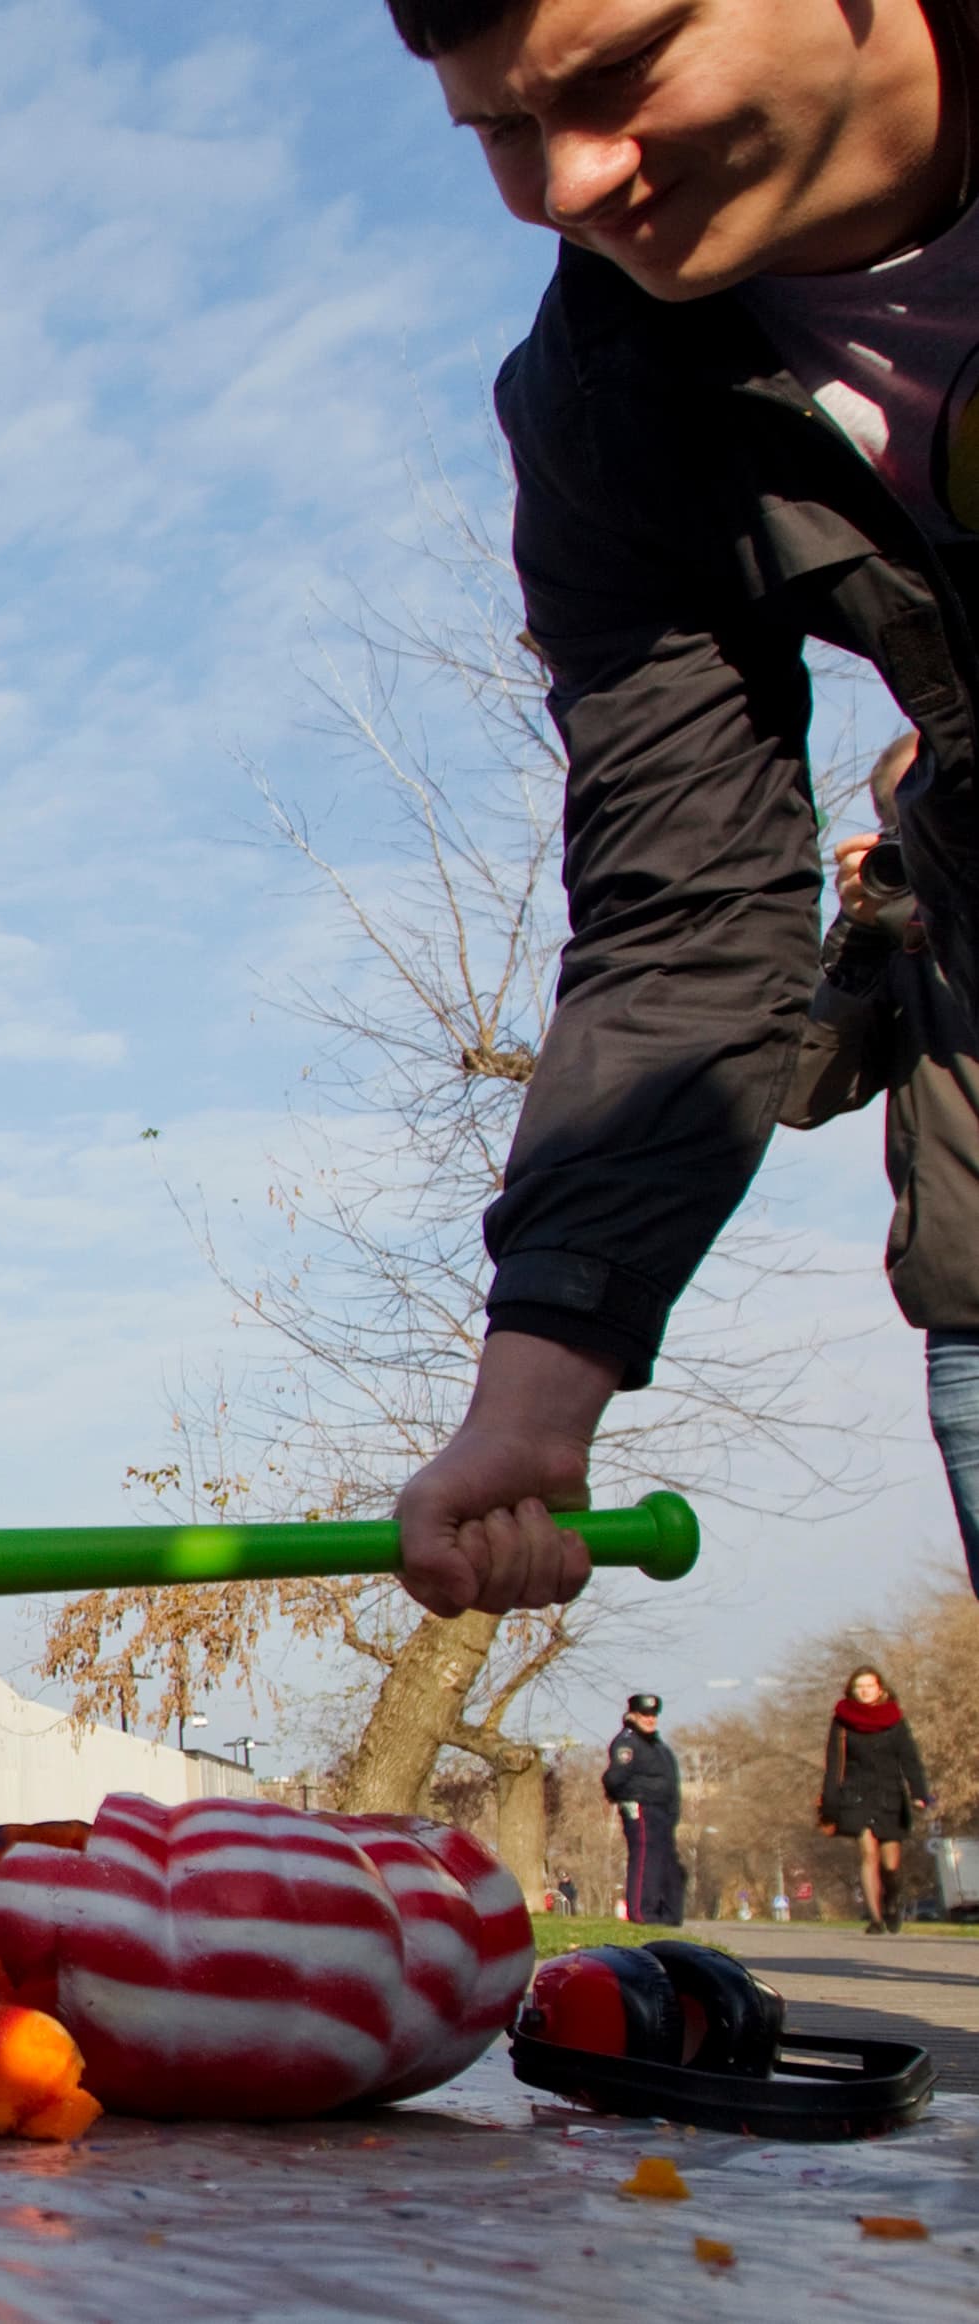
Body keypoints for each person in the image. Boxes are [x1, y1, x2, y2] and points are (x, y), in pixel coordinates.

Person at [374, 0, 979, 1619]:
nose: (571, 177)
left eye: (623, 70)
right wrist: (533, 1401)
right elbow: (686, 915)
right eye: (499, 126)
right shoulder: (610, 409)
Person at [777, 735, 979, 1595]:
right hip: (969, 1323)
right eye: (907, 817)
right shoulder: (896, 946)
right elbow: (798, 1093)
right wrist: (860, 940)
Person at [820, 1663, 938, 1931]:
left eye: (869, 1686)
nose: (864, 1691)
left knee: (891, 1863)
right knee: (867, 1853)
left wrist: (919, 1793)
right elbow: (833, 1762)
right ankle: (875, 1918)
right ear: (852, 1690)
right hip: (855, 1795)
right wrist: (830, 1800)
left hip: (889, 1796)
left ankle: (892, 1902)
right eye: (859, 1687)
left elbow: (909, 1758)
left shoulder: (894, 1719)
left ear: (880, 1689)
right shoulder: (842, 1721)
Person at [601, 1692, 686, 1926]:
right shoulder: (627, 1743)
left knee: (666, 1863)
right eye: (644, 1715)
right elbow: (614, 1778)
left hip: (663, 1813)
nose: (650, 1719)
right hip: (642, 1810)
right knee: (645, 1861)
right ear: (633, 1715)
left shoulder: (658, 1746)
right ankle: (641, 1912)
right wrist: (630, 1799)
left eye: (653, 1715)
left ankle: (668, 1915)